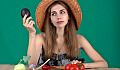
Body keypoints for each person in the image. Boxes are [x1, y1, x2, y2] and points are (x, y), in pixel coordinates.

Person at [23, 0, 108, 68]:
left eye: (62, 12)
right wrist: (32, 33)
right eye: (54, 14)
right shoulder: (40, 38)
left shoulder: (79, 39)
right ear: (50, 19)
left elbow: (103, 64)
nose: (58, 17)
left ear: (69, 16)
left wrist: (83, 65)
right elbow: (31, 64)